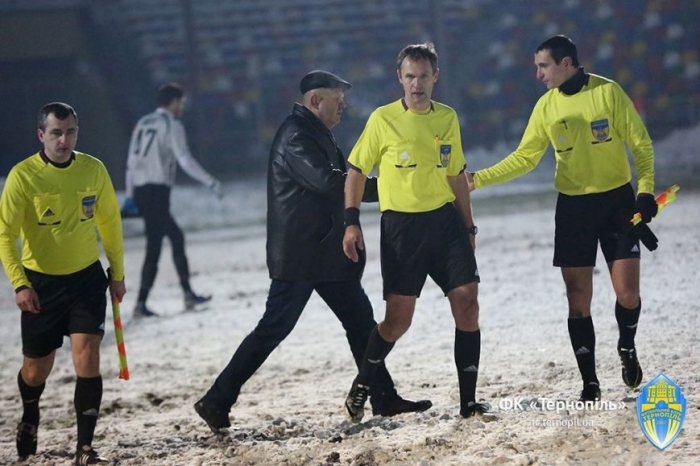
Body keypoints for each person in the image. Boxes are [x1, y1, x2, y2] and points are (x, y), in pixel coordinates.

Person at [193, 70, 432, 432]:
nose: (344, 106)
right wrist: (390, 186)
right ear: (316, 101)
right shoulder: (296, 136)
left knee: (360, 322)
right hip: (302, 257)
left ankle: (383, 397)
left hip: (323, 254)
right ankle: (216, 399)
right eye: (338, 99)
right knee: (274, 328)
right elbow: (331, 183)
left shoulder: (312, 132)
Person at [467, 35, 657, 402]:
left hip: (618, 203)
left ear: (566, 63)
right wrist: (478, 179)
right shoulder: (546, 107)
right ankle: (590, 382)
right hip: (573, 209)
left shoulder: (608, 92)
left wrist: (645, 191)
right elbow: (525, 158)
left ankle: (627, 346)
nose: (538, 74)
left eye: (543, 66)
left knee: (628, 294)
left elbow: (641, 144)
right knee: (577, 298)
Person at [342, 43, 490, 423]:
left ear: (435, 77)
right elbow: (357, 171)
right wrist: (351, 220)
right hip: (401, 230)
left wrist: (468, 225)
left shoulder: (448, 118)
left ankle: (468, 402)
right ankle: (364, 382)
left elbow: (456, 174)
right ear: (400, 78)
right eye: (410, 76)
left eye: (424, 76)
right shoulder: (382, 119)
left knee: (467, 299)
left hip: (445, 224)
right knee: (398, 320)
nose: (417, 83)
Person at [0, 102, 126, 464]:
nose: (63, 139)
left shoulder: (93, 169)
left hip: (86, 279)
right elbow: (5, 236)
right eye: (56, 132)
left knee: (87, 357)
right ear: (42, 135)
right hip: (41, 285)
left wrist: (117, 273)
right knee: (36, 371)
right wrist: (20, 284)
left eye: (70, 131)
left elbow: (110, 223)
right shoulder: (23, 176)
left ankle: (84, 449)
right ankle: (30, 413)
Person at [124, 82, 221, 317]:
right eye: (182, 103)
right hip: (157, 191)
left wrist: (129, 195)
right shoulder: (172, 124)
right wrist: (209, 181)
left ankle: (171, 296)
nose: (183, 107)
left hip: (140, 190)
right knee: (163, 243)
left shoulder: (143, 122)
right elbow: (184, 159)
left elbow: (131, 161)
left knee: (165, 241)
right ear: (175, 102)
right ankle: (156, 300)